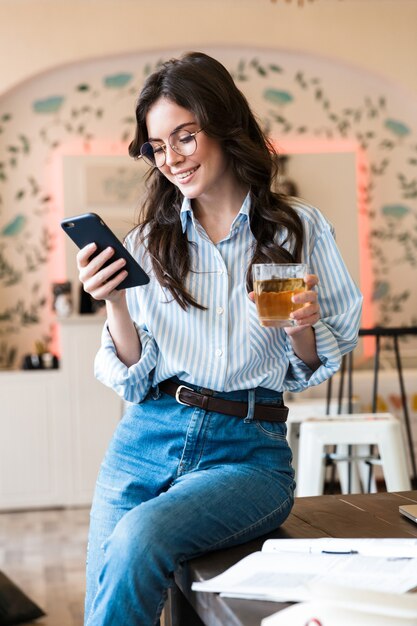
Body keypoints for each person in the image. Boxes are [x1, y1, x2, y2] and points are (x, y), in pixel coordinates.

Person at [77, 51, 362, 626]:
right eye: (158, 147)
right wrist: (113, 303)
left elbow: (310, 365)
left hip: (248, 451)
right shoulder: (151, 241)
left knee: (139, 539)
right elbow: (135, 373)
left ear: (225, 124)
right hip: (146, 436)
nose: (172, 159)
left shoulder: (297, 229)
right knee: (107, 586)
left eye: (185, 136)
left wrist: (302, 329)